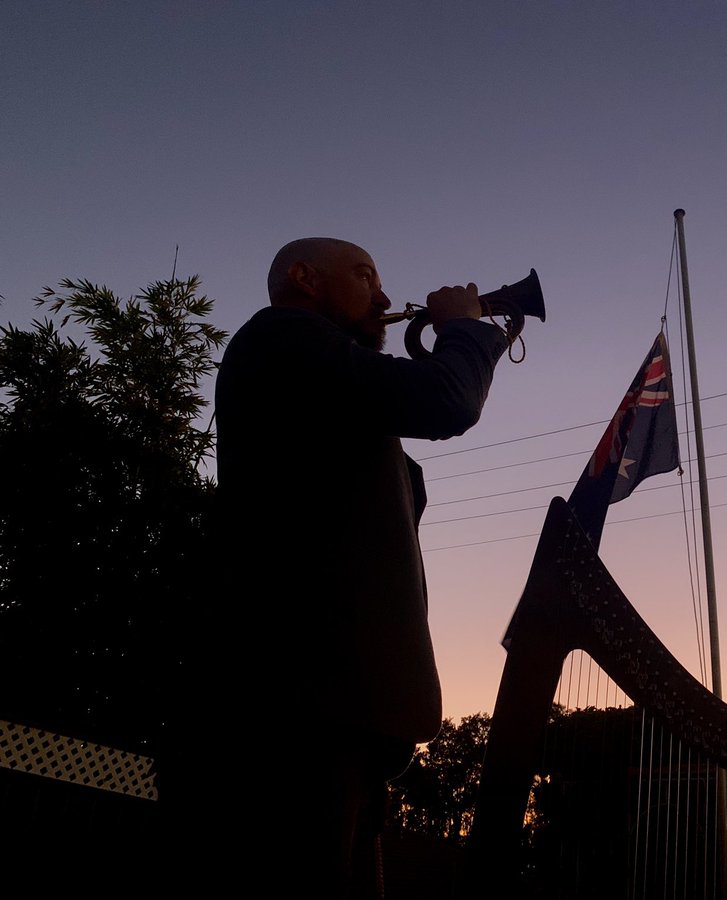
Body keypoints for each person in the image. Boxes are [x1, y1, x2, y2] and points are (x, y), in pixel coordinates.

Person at [157, 238, 510, 898]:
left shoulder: (322, 386)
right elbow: (446, 401)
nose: (382, 296)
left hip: (340, 717)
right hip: (300, 715)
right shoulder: (281, 336)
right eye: (365, 275)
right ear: (304, 279)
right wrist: (464, 327)